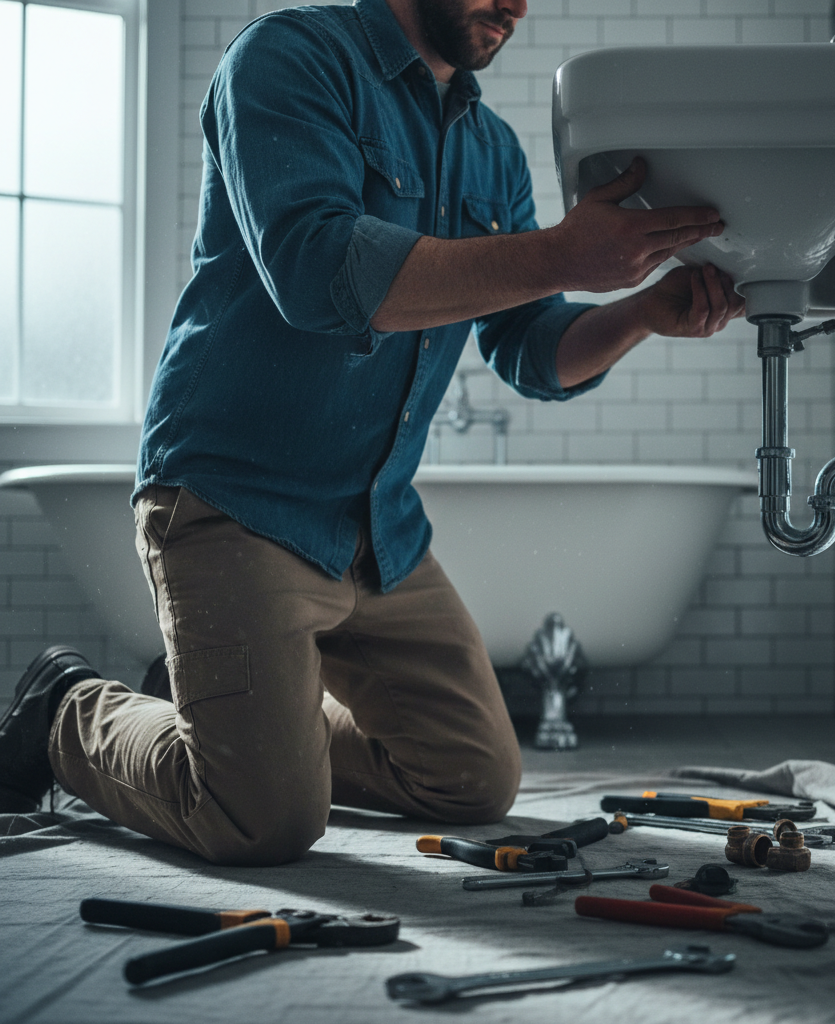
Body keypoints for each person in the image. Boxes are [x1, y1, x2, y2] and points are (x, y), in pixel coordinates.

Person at [0, 0, 744, 865]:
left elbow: (531, 351)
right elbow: (318, 275)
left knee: (469, 781)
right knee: (262, 822)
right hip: (238, 500)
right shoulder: (286, 58)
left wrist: (643, 312)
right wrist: (561, 253)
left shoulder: (492, 148)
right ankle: (67, 709)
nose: (515, 5)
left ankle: (234, 716)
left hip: (376, 526)